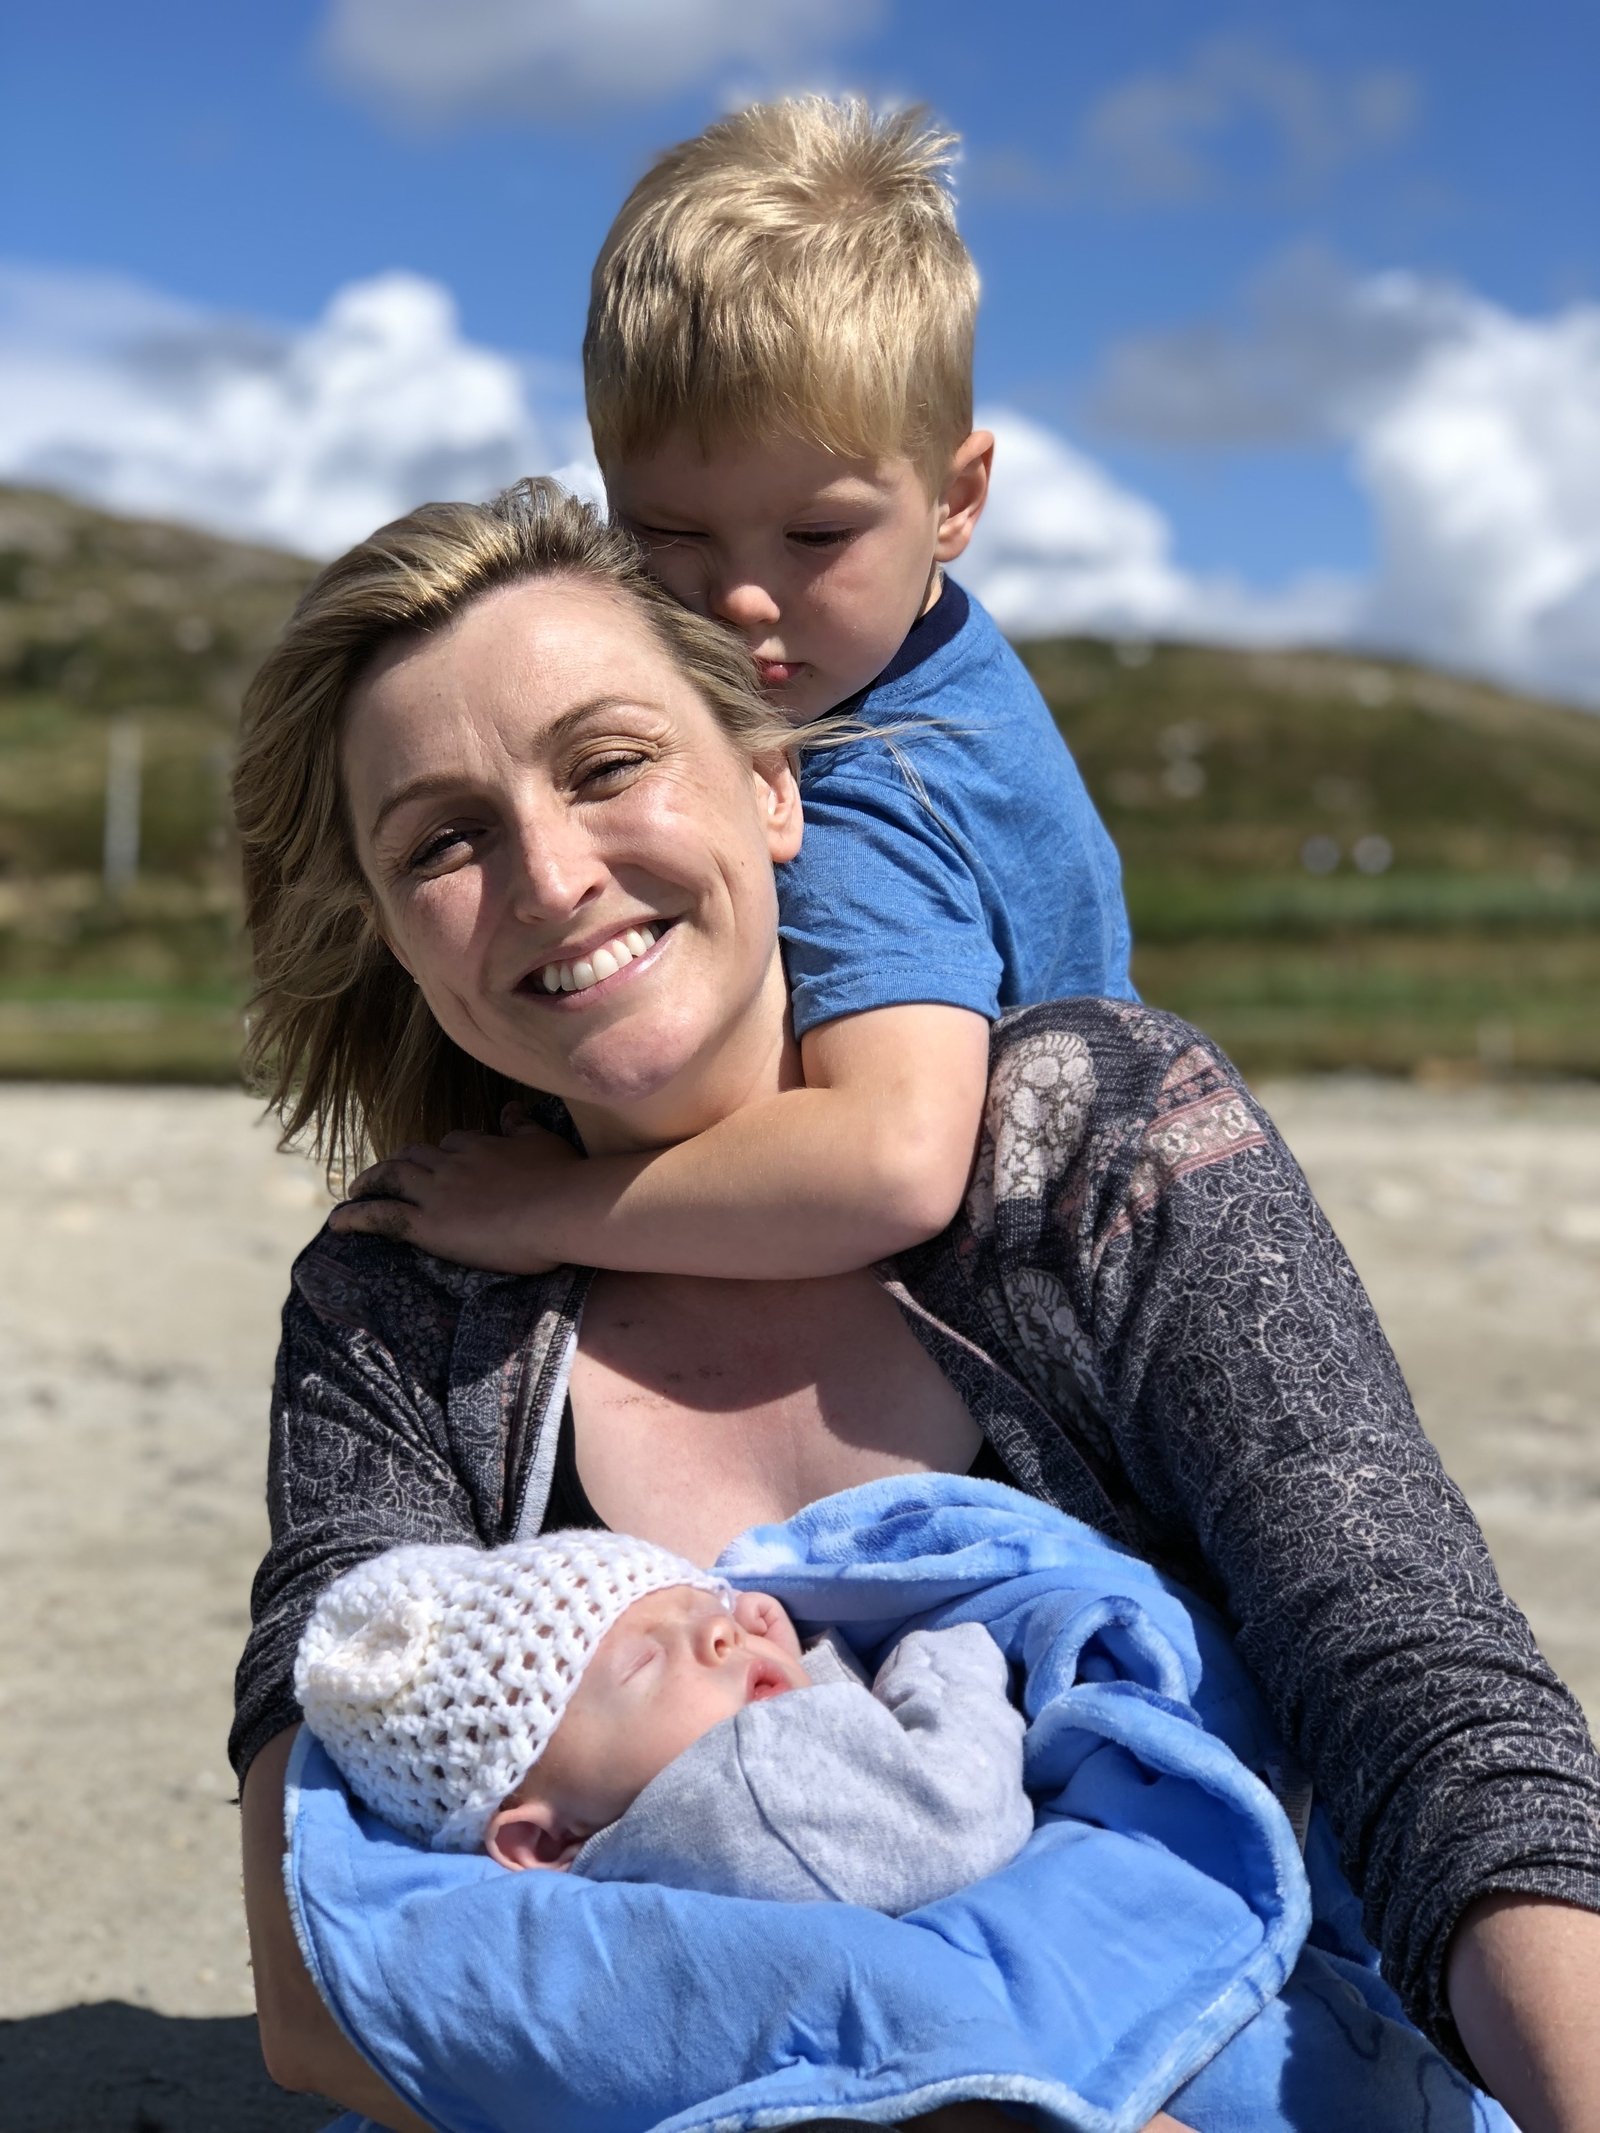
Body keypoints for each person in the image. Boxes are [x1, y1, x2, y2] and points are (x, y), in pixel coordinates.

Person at [231, 480, 1600, 2133]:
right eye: (442, 839)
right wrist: (973, 2097)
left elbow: (1415, 1683)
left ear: (769, 784)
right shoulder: (403, 1306)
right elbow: (323, 1981)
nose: (549, 870)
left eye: (607, 763)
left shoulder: (1098, 1140)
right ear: (388, 931)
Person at [327, 97, 1136, 1288]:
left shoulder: (861, 791)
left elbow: (894, 1161)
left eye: (815, 535)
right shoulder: (920, 641)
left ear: (956, 502)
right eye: (672, 532)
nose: (743, 598)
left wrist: (551, 1208)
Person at [294, 1528, 1033, 1909]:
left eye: (708, 1607)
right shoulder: (746, 1791)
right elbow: (954, 1813)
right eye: (645, 1663)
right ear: (544, 1837)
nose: (723, 1631)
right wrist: (942, 1655)